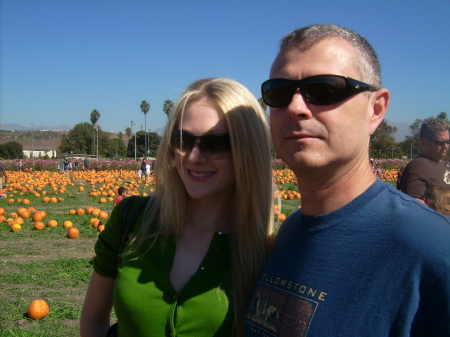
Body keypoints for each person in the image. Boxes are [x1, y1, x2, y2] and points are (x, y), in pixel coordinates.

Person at [244, 24, 450, 336]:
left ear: (376, 109)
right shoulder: (287, 235)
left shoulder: (432, 249)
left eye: (324, 89)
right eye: (279, 93)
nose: (295, 108)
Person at [81, 78, 275, 337]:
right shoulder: (132, 219)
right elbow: (94, 318)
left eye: (216, 143)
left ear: (248, 150)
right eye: (183, 140)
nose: (194, 157)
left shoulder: (268, 250)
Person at [401, 117, 450, 202]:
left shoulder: (439, 164)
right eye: (440, 142)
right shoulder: (418, 167)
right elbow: (415, 205)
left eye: (447, 142)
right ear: (425, 142)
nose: (445, 146)